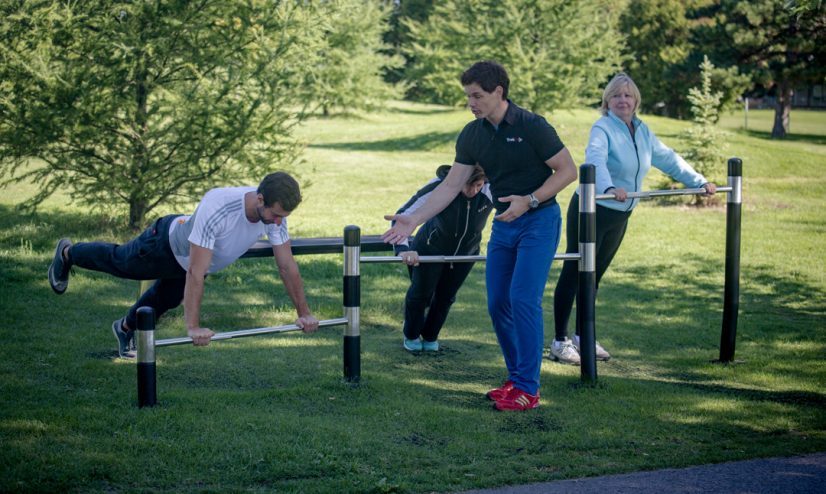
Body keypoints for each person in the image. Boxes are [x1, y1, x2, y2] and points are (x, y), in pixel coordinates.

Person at [382, 61, 577, 411]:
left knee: (522, 299)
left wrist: (530, 200)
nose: (471, 102)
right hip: (504, 225)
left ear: (499, 92)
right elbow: (451, 185)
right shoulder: (472, 134)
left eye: (477, 95)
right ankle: (517, 378)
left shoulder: (533, 126)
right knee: (497, 302)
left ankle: (528, 390)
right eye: (467, 96)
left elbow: (567, 170)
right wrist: (412, 219)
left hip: (539, 221)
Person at [48, 171, 320, 358]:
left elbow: (286, 266)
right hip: (163, 245)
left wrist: (304, 313)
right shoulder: (220, 206)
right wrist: (193, 327)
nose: (277, 222)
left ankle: (125, 328)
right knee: (121, 262)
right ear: (260, 199)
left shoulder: (274, 215)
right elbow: (196, 271)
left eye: (282, 217)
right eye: (275, 215)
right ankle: (68, 254)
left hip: (189, 259)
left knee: (165, 298)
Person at [549, 73, 716, 365]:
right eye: (616, 95)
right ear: (607, 101)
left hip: (620, 213)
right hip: (594, 209)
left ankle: (582, 336)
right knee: (575, 273)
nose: (622, 100)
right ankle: (560, 341)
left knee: (595, 276)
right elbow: (595, 159)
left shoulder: (641, 130)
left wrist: (700, 181)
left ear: (636, 100)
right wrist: (609, 188)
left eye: (627, 95)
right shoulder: (602, 128)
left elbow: (668, 158)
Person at [394, 164, 492, 352]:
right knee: (421, 295)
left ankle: (430, 336)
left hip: (466, 254)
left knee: (446, 297)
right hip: (429, 249)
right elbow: (402, 216)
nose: (473, 191)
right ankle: (412, 335)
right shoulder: (441, 185)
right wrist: (402, 249)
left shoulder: (491, 188)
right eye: (467, 186)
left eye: (478, 185)